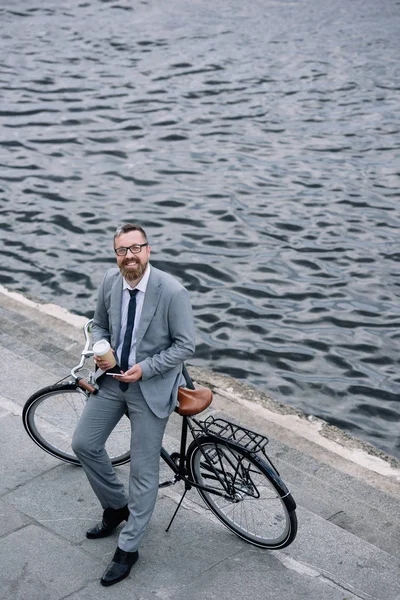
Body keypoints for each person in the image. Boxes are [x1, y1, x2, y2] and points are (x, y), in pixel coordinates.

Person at [72, 223, 196, 587]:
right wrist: (102, 348)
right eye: (122, 250)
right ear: (116, 255)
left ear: (148, 250)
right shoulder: (111, 280)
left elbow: (185, 346)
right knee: (84, 444)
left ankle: (129, 548)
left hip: (150, 387)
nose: (129, 257)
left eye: (136, 248)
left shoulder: (172, 291)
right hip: (113, 381)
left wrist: (145, 369)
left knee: (143, 471)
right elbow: (99, 324)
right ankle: (116, 506)